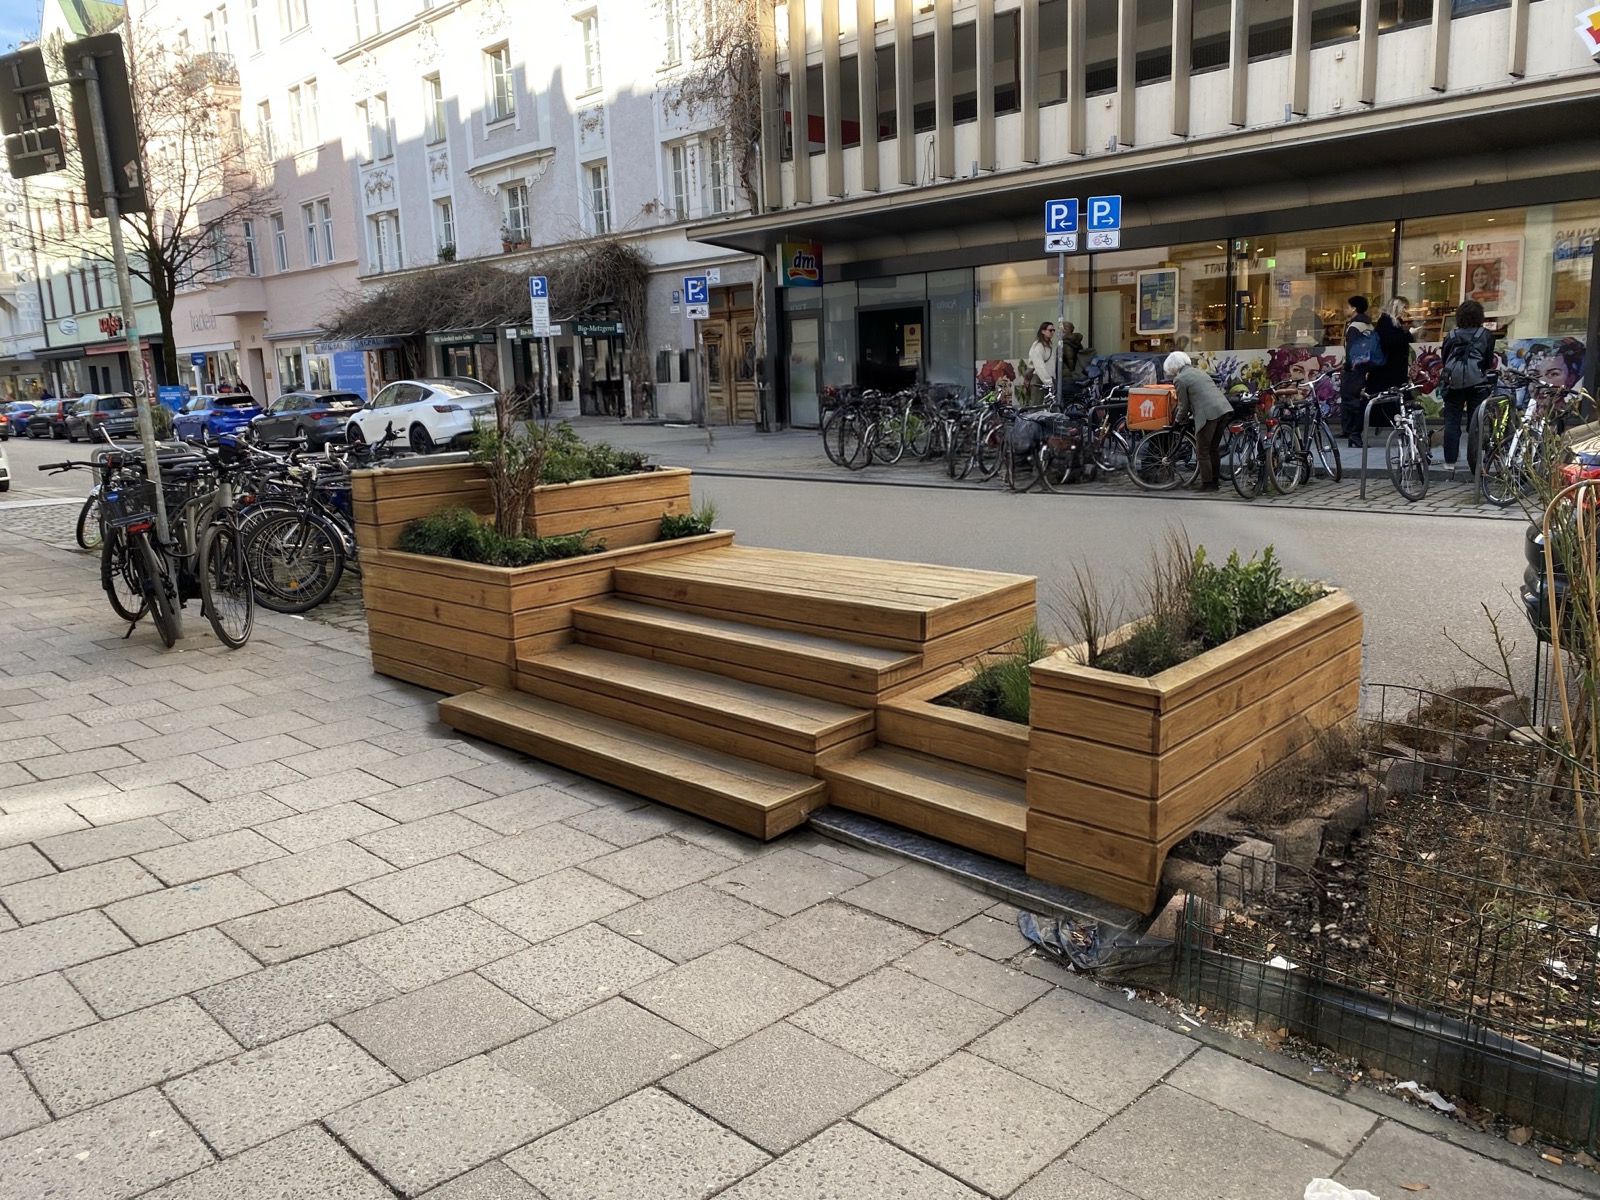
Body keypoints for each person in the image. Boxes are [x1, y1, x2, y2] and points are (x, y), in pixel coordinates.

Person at [1437, 299, 1496, 470]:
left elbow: (1445, 358)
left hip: (1453, 383)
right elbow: (1488, 360)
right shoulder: (1485, 335)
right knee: (1476, 422)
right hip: (1478, 382)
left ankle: (1450, 461)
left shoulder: (1451, 335)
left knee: (1452, 421)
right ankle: (1474, 461)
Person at [1165, 350, 1232, 492]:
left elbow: (1183, 406)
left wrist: (1176, 422)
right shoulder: (1200, 372)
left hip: (1208, 414)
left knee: (1202, 450)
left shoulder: (1180, 379)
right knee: (1213, 449)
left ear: (1172, 366)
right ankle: (1214, 482)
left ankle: (1207, 484)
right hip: (1223, 409)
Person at [1364, 296, 1416, 428]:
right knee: (1392, 395)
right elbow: (1391, 342)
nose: (1405, 311)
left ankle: (1395, 421)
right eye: (1404, 308)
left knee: (1394, 395)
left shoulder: (1389, 322)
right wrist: (1409, 334)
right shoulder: (1387, 322)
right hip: (1388, 369)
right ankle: (1396, 422)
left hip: (1389, 369)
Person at [1341, 295, 1375, 446]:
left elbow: (1351, 349)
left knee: (1350, 398)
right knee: (1357, 398)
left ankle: (1352, 431)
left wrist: (1348, 365)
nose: (1345, 309)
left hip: (1355, 367)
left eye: (1347, 306)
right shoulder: (1369, 325)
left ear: (1354, 308)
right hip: (1366, 365)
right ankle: (1352, 431)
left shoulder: (1354, 326)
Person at [1025, 321, 1057, 400]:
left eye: (1053, 330)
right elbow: (1039, 366)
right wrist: (1049, 382)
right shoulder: (1038, 346)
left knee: (1052, 404)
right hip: (1039, 379)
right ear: (1043, 331)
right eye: (1050, 330)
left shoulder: (1051, 346)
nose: (1052, 332)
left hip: (1050, 378)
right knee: (1037, 406)